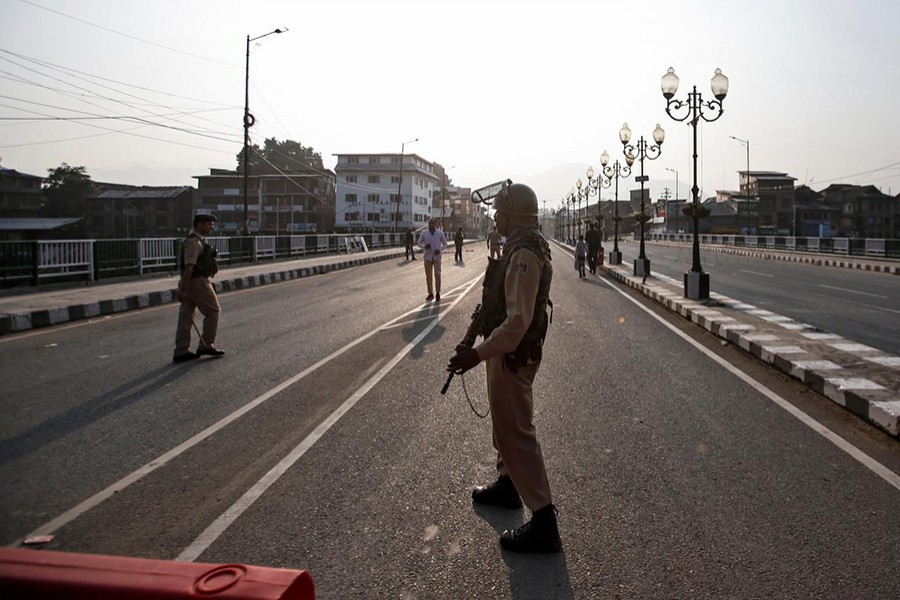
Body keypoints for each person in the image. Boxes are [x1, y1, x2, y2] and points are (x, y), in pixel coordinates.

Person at [446, 182, 559, 554]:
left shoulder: (525, 254)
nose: (495, 217)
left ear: (516, 215)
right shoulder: (512, 248)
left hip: (513, 354)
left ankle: (544, 521)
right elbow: (491, 303)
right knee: (503, 423)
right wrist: (471, 337)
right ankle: (508, 484)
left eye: (500, 211)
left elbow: (516, 323)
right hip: (503, 352)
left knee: (518, 433)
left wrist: (475, 355)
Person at [173, 213, 225, 363]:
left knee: (186, 315)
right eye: (209, 224)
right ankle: (206, 344)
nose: (211, 227)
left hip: (190, 281)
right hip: (197, 281)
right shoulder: (194, 243)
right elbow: (190, 267)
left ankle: (181, 350)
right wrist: (184, 288)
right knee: (213, 311)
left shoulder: (196, 241)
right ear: (199, 224)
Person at [417, 218, 448, 301]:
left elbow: (445, 244)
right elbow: (418, 243)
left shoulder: (440, 233)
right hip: (427, 257)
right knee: (428, 276)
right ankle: (430, 293)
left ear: (435, 224)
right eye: (430, 223)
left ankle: (438, 292)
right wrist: (424, 247)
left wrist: (440, 249)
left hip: (437, 256)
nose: (431, 225)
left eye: (432, 223)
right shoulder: (424, 233)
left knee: (437, 274)